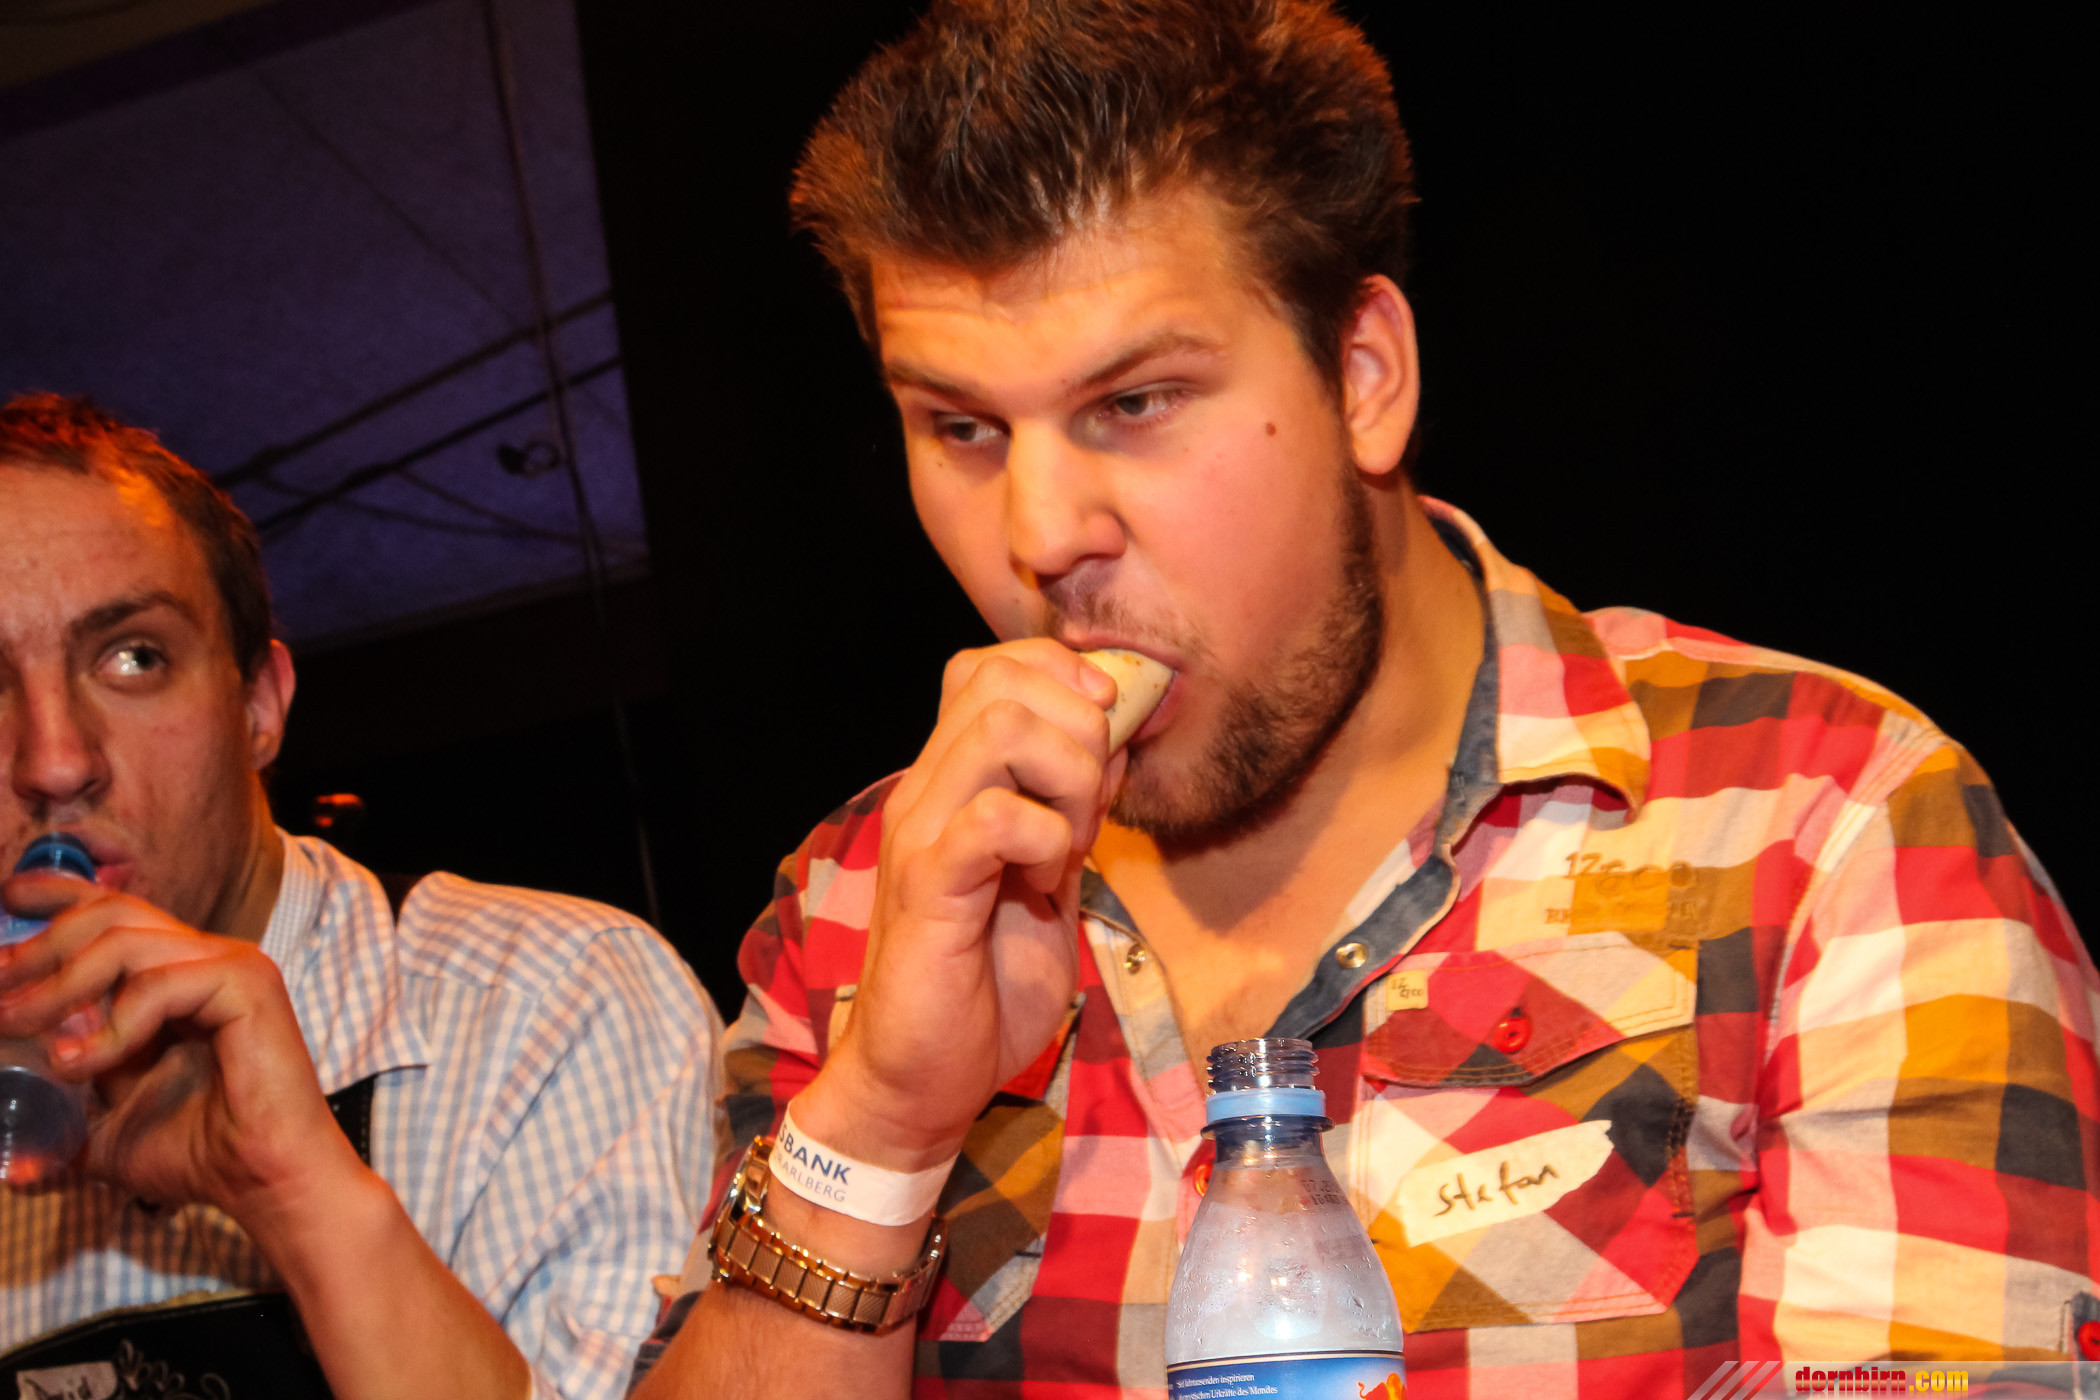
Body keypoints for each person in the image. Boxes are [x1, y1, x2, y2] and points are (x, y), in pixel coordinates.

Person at [630, 1, 2100, 1396]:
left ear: (1365, 376)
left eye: (1134, 403)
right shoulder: (859, 906)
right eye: (961, 426)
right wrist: (882, 1121)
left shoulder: (1824, 832)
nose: (1041, 533)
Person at [0, 392, 724, 1400]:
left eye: (135, 658)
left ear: (259, 705)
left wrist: (303, 1198)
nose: (54, 761)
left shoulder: (554, 1006)